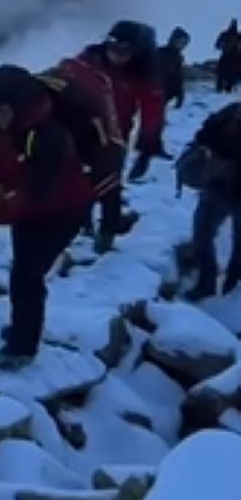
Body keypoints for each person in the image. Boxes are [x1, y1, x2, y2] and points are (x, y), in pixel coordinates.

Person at [0, 65, 96, 372]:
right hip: (31, 208)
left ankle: (23, 346)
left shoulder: (50, 135)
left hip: (64, 211)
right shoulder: (1, 119)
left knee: (27, 275)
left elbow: (37, 192)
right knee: (22, 271)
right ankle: (22, 328)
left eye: (3, 109)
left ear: (20, 103)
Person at [77, 20, 167, 251]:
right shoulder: (91, 60)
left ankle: (106, 234)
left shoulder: (142, 71)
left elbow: (152, 106)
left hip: (117, 134)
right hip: (85, 127)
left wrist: (149, 139)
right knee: (81, 178)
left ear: (134, 52)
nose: (116, 56)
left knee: (110, 184)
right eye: (112, 49)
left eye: (123, 52)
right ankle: (83, 223)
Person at [178, 102, 241, 300]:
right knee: (202, 235)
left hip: (225, 189)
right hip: (218, 187)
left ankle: (231, 289)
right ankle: (207, 284)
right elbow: (204, 134)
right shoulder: (231, 113)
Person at [157, 27, 190, 109]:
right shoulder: (160, 53)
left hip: (166, 95)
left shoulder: (179, 57)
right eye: (180, 41)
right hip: (156, 93)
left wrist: (180, 95)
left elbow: (178, 78)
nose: (182, 45)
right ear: (173, 39)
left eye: (184, 43)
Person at [216, 19, 240, 93]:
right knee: (224, 74)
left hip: (234, 58)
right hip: (231, 58)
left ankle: (224, 87)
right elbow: (217, 45)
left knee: (226, 74)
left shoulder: (226, 34)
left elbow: (217, 45)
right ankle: (223, 88)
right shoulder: (225, 34)